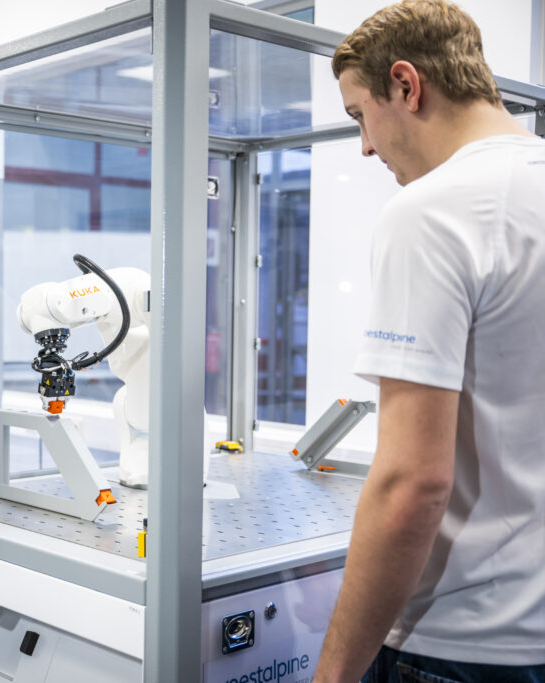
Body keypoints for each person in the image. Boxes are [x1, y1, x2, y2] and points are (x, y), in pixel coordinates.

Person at [313, 1, 545, 681]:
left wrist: (332, 674)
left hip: (460, 644)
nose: (364, 146)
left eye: (360, 115)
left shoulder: (434, 212)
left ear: (406, 85)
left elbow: (413, 483)